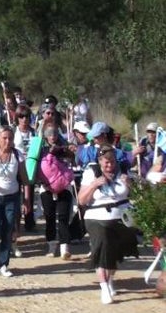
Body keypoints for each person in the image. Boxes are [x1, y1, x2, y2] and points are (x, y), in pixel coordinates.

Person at [78, 144, 138, 304]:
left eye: (112, 162)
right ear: (99, 161)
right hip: (96, 217)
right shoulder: (92, 172)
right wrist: (94, 185)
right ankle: (104, 287)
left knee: (116, 252)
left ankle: (110, 278)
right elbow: (82, 200)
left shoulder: (123, 170)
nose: (110, 165)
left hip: (121, 216)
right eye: (106, 162)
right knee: (103, 245)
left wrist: (131, 184)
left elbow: (136, 194)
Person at [0, 126, 30, 277]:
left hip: (12, 197)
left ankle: (4, 264)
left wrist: (26, 200)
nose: (8, 141)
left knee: (8, 230)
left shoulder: (17, 155)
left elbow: (25, 179)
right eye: (4, 138)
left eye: (10, 138)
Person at [39, 123, 75, 259]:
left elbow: (72, 160)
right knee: (49, 217)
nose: (52, 137)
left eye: (54, 134)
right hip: (46, 187)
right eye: (49, 134)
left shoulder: (65, 147)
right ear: (45, 137)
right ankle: (51, 247)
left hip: (64, 186)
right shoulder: (40, 149)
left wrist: (68, 151)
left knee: (64, 217)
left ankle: (65, 247)